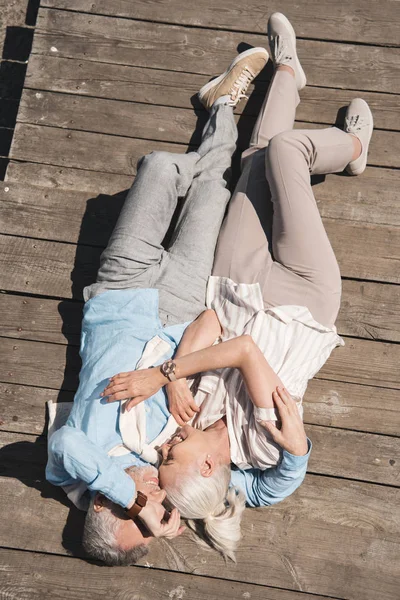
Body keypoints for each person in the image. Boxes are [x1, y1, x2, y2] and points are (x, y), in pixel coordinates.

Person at [102, 13, 373, 560]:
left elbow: (213, 322)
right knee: (287, 153)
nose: (165, 449)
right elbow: (245, 350)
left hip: (240, 288)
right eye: (173, 457)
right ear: (207, 465)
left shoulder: (193, 416)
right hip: (304, 298)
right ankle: (351, 148)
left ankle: (288, 75)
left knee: (253, 165)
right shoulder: (265, 440)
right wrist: (169, 373)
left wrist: (178, 376)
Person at [45, 47, 270, 565]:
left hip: (121, 294)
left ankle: (206, 148)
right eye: (152, 516)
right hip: (180, 310)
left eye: (136, 513)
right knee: (213, 191)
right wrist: (169, 380)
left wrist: (135, 499)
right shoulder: (164, 460)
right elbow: (246, 479)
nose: (153, 500)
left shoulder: (76, 467)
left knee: (161, 169)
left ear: (106, 507)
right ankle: (221, 107)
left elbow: (65, 448)